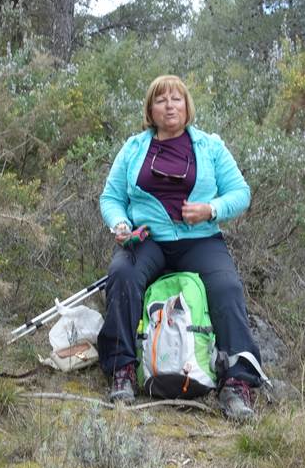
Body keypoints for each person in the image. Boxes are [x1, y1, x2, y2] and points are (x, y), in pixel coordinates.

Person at [97, 75, 265, 421]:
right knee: (122, 275)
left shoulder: (210, 147)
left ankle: (238, 382)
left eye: (176, 99)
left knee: (227, 287)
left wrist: (211, 209)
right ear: (150, 110)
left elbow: (240, 193)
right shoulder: (133, 148)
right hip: (147, 240)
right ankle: (122, 371)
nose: (169, 105)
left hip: (200, 240)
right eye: (161, 100)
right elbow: (111, 197)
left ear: (187, 107)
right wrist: (121, 225)